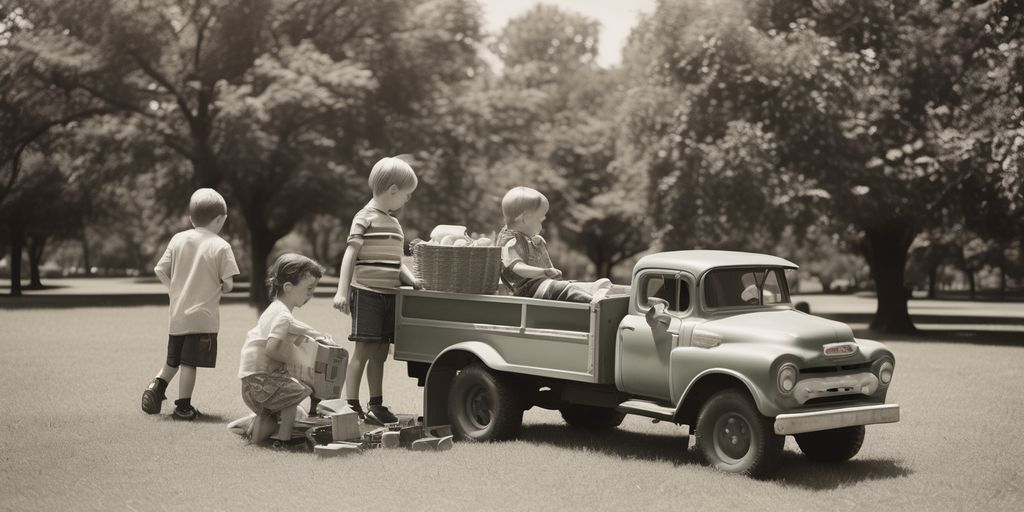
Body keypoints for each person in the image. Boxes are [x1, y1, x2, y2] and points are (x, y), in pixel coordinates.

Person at [332, 156, 422, 425]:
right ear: (393, 190)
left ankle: (376, 404)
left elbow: (396, 263)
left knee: (381, 353)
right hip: (367, 293)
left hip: (389, 295)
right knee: (364, 350)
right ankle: (351, 405)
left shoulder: (394, 224)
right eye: (406, 195)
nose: (407, 200)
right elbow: (350, 254)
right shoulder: (364, 218)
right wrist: (341, 291)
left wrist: (411, 280)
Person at [142, 188, 240, 420]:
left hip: (178, 314)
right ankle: (183, 406)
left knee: (173, 360)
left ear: (191, 219)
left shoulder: (178, 239)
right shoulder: (221, 246)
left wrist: (173, 288)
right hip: (202, 317)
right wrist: (220, 286)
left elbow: (160, 270)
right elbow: (228, 284)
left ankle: (156, 387)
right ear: (220, 219)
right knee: (189, 364)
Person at [238, 253, 326, 448]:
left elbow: (296, 326)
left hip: (249, 382)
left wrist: (318, 335)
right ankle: (283, 440)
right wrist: (291, 362)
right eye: (309, 289)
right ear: (288, 287)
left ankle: (254, 436)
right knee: (297, 391)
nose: (311, 294)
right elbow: (272, 348)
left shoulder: (275, 309)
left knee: (268, 414)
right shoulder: (283, 316)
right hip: (261, 381)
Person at [497, 186, 612, 303]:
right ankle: (592, 300)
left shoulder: (524, 238)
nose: (542, 225)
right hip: (523, 291)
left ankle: (588, 289)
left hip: (536, 287)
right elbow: (516, 267)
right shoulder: (511, 241)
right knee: (558, 288)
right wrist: (543, 272)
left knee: (563, 285)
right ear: (526, 218)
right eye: (540, 220)